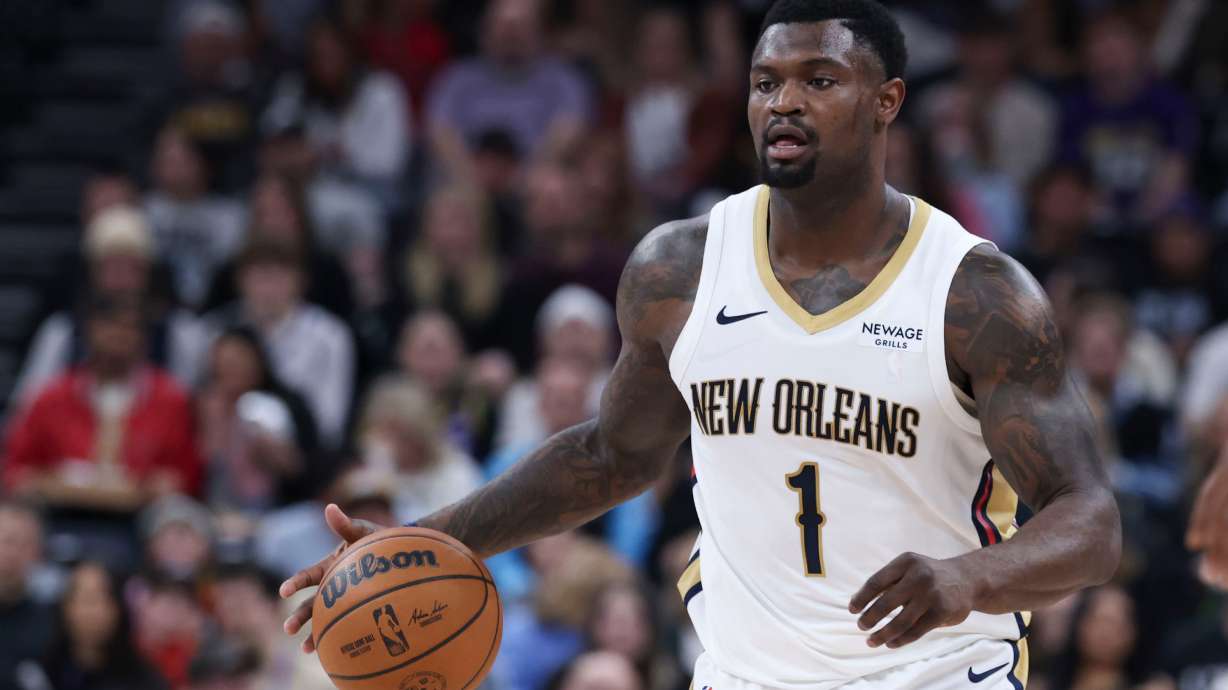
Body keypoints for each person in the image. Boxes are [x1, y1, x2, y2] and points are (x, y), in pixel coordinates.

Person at [282, 3, 1121, 689]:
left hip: (934, 673)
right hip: (740, 674)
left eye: (819, 79)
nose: (783, 102)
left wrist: (968, 578)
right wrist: (421, 540)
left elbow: (1089, 520)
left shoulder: (975, 293)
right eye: (766, 82)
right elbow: (613, 455)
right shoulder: (679, 269)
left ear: (886, 100)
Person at [4, 294, 203, 509]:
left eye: (129, 328)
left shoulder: (171, 399)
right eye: (109, 324)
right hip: (59, 511)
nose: (118, 334)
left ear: (144, 338)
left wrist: (169, 483)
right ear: (90, 331)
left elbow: (188, 473)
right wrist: (35, 481)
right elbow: (16, 468)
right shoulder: (51, 396)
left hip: (144, 515)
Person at [31, 562, 169, 690]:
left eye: (102, 599)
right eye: (85, 599)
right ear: (64, 607)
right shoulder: (39, 673)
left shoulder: (144, 679)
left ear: (118, 609)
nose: (93, 611)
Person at [0, 500, 55, 690]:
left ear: (38, 554)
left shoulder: (53, 621)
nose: (13, 553)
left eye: (25, 545)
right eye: (7, 541)